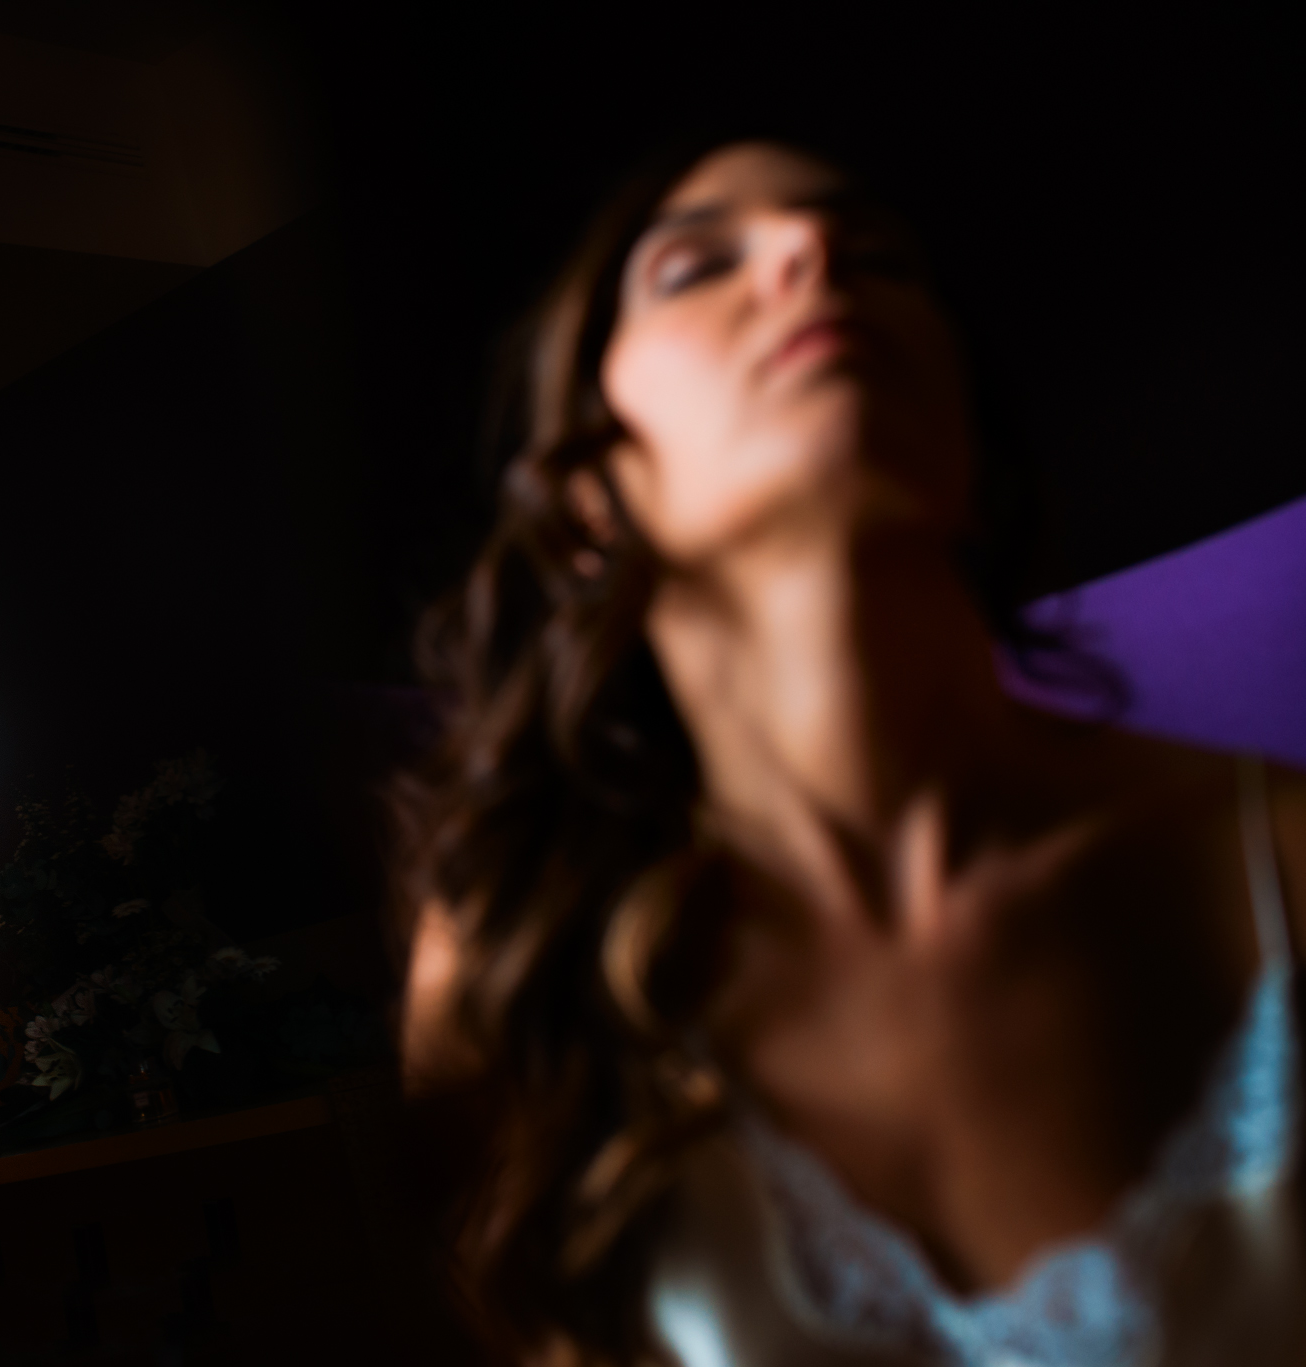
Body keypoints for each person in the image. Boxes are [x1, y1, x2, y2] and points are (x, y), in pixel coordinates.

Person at [399, 137, 1306, 1366]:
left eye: (873, 254)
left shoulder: (1274, 865)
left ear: (965, 453)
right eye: (693, 267)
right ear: (588, 503)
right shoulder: (514, 958)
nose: (807, 252)